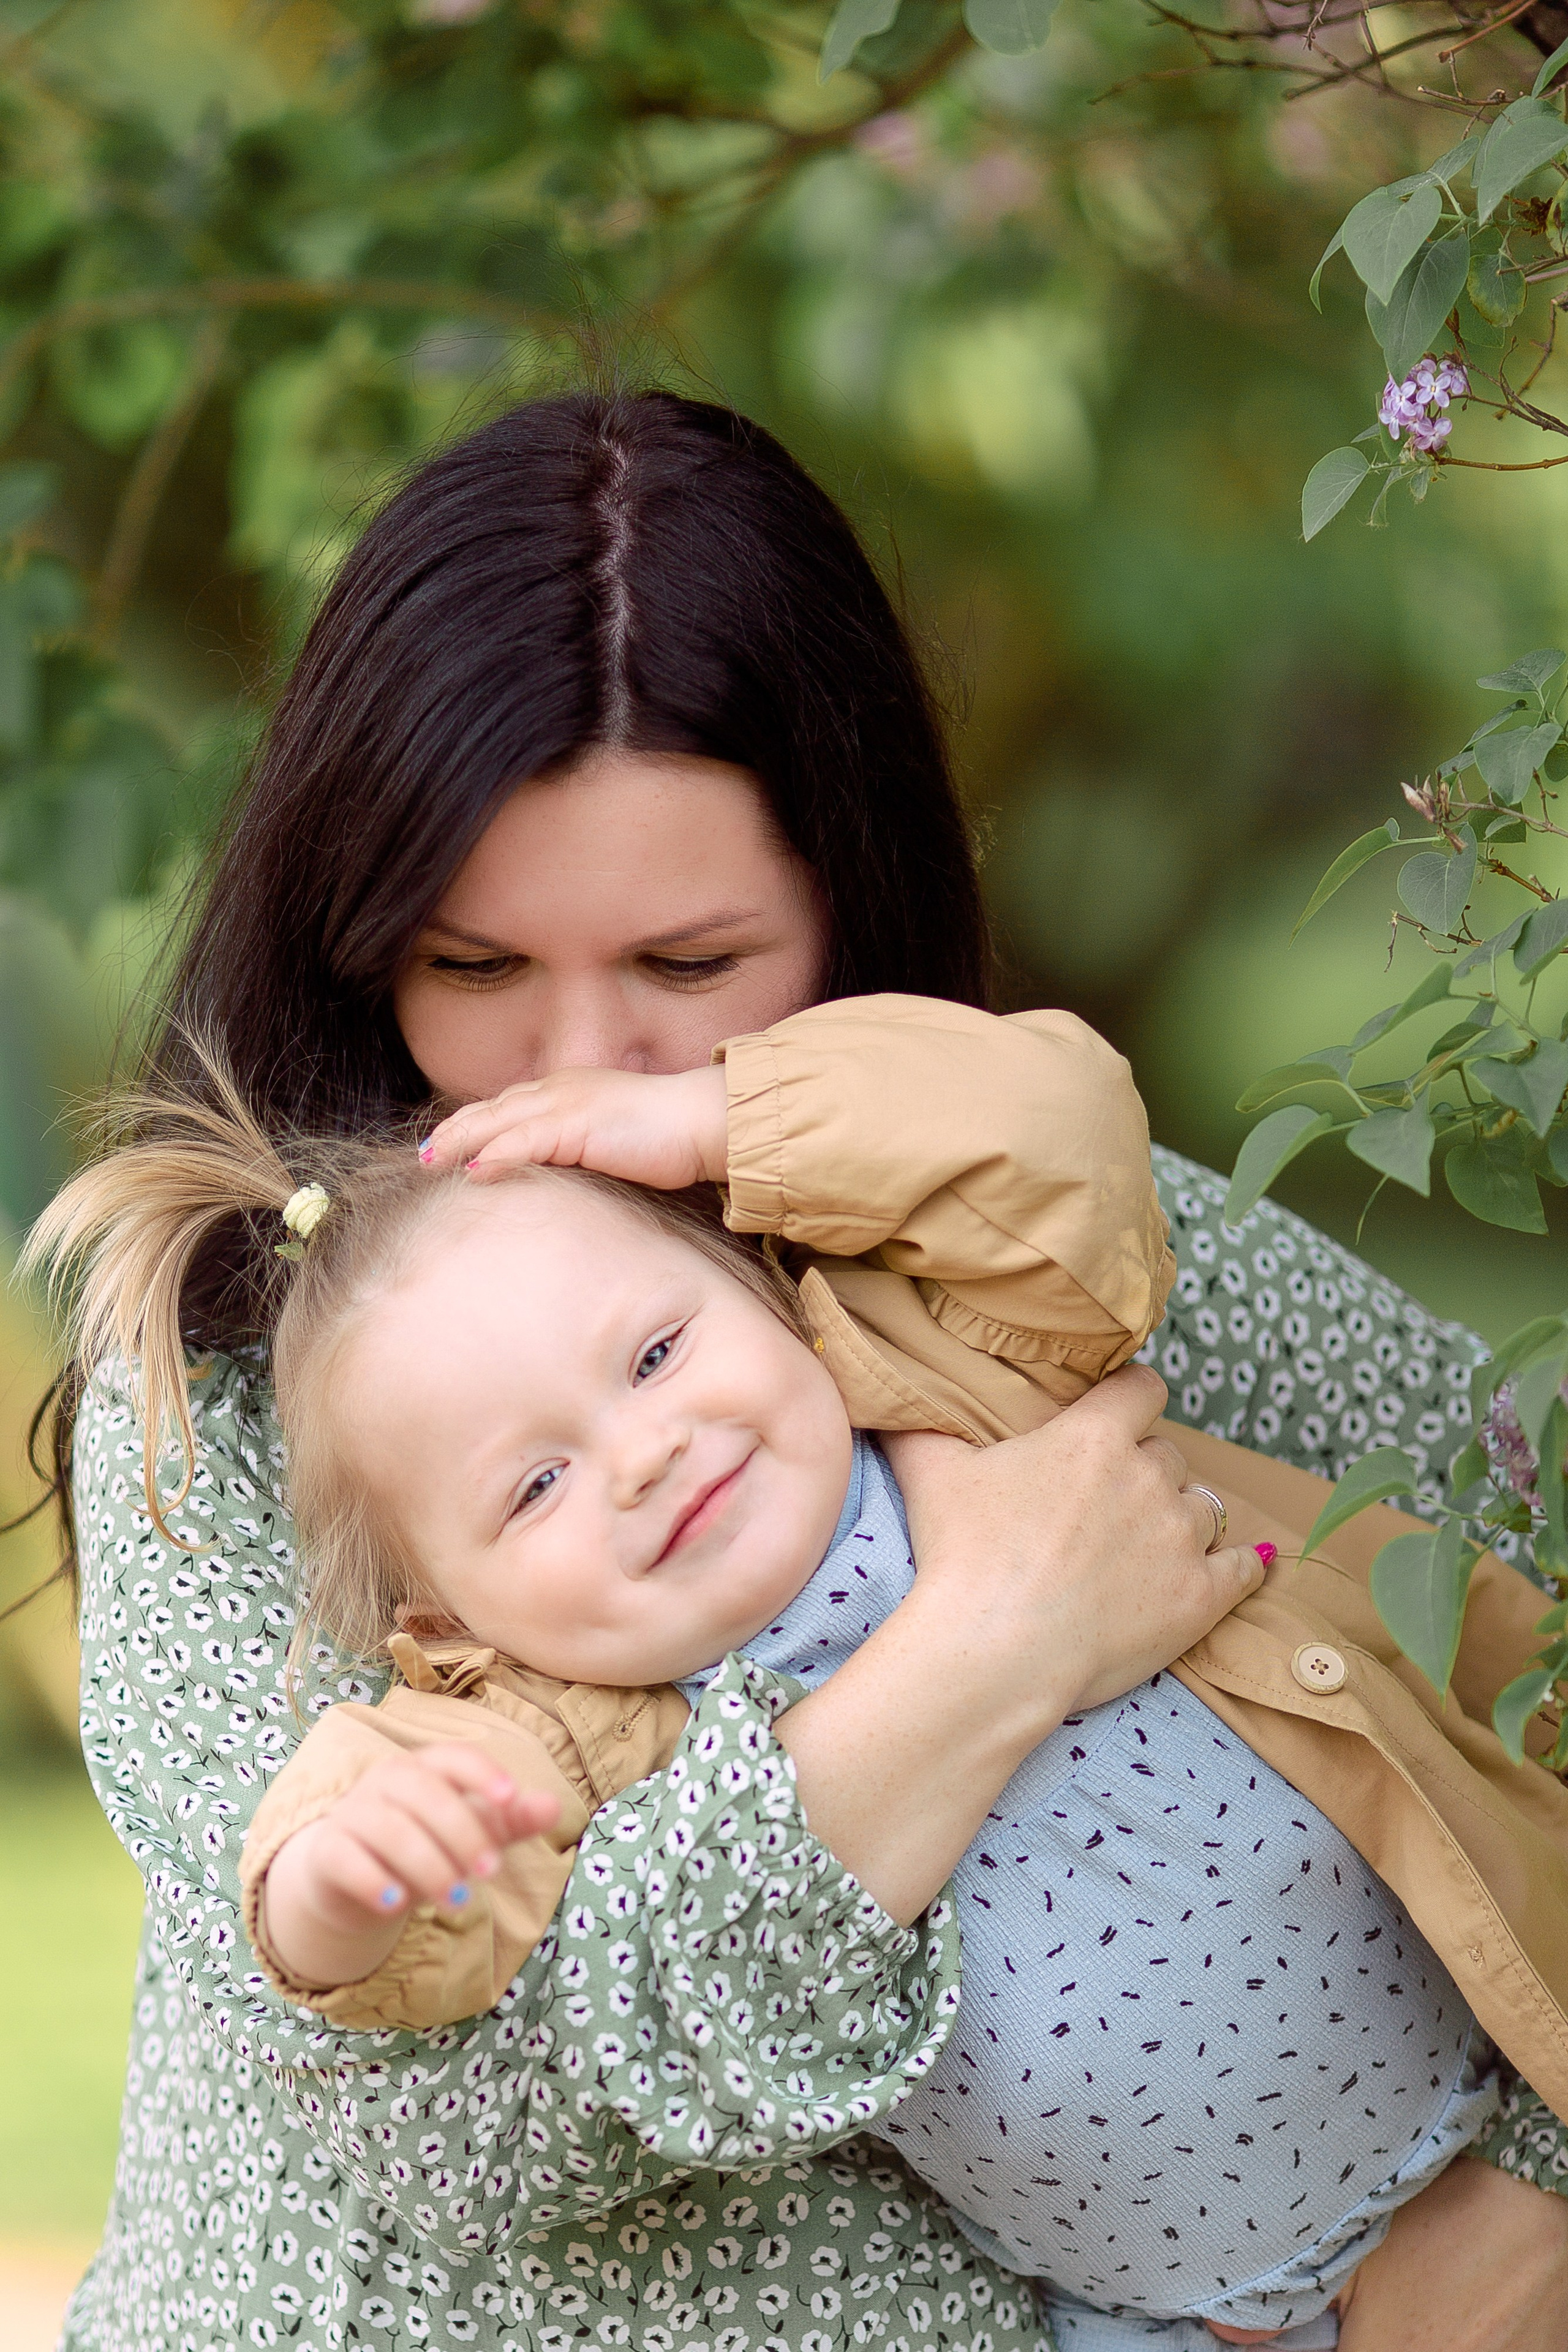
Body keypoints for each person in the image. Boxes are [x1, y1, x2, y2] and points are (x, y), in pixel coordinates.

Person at [34, 391, 1568, 2352]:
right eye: (474, 968)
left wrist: (1532, 2199)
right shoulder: (245, 1397)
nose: (570, 1070)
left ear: (848, 900)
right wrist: (993, 1641)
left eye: (688, 970)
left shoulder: (1016, 1255)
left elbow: (1522, 1518)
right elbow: (446, 2136)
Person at [36, 990, 1568, 2350]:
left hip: (1489, 2053)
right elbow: (429, 1874)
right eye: (533, 1488)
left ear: (758, 1286)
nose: (642, 1457)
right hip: (1147, 2314)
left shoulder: (951, 1373)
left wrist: (722, 1115)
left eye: (651, 1357)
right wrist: (332, 1886)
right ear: (453, 1622)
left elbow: (1064, 1134)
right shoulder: (583, 1711)